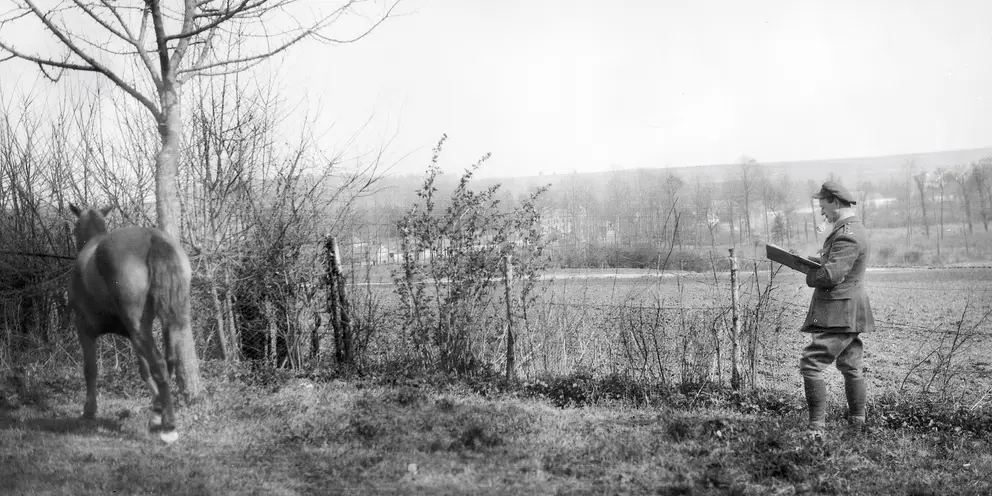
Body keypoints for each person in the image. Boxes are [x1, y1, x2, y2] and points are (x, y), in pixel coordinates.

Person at [800, 181, 874, 433]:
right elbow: (834, 261)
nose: (823, 213)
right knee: (850, 364)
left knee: (811, 364)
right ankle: (857, 423)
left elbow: (831, 275)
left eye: (824, 207)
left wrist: (808, 274)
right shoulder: (850, 230)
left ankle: (815, 428)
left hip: (839, 312)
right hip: (846, 311)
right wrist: (808, 260)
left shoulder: (847, 235)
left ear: (835, 202)